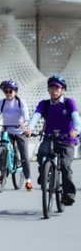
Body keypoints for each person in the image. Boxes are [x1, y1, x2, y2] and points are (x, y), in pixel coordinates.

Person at [28, 75, 80, 206]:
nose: (54, 90)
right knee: (41, 154)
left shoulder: (69, 102)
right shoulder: (44, 104)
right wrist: (29, 128)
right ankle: (45, 173)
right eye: (51, 87)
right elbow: (36, 116)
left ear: (63, 90)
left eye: (57, 88)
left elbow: (76, 117)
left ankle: (68, 194)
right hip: (49, 137)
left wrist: (77, 130)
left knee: (65, 166)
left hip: (67, 140)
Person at [0, 80, 33, 189]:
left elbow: (25, 114)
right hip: (7, 130)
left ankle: (28, 179)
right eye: (5, 91)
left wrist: (25, 122)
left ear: (15, 92)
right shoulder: (2, 103)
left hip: (20, 131)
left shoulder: (20, 102)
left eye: (10, 91)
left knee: (24, 156)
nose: (8, 93)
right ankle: (3, 173)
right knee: (2, 150)